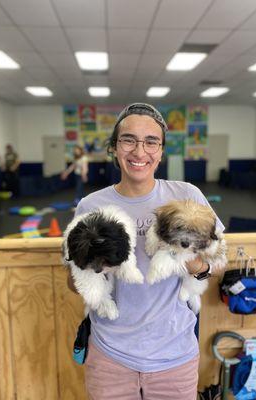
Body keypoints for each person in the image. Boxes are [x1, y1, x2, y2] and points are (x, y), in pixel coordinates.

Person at [67, 103, 225, 399]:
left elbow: (218, 263)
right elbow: (74, 281)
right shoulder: (90, 205)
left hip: (174, 356)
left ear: (161, 150)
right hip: (110, 356)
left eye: (150, 141)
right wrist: (94, 265)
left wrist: (195, 265)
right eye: (128, 140)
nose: (139, 152)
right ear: (114, 147)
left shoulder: (187, 195)